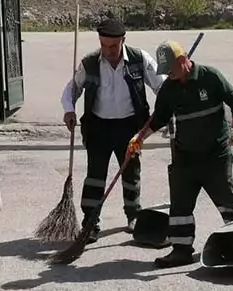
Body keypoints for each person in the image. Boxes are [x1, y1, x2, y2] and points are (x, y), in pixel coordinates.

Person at [126, 40, 233, 268]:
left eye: (171, 69)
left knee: (227, 201)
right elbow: (158, 118)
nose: (169, 74)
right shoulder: (169, 89)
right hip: (185, 157)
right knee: (180, 206)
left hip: (215, 154)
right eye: (165, 71)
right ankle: (181, 251)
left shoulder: (210, 77)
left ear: (183, 60)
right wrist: (139, 137)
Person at [61, 18, 164, 242]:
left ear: (123, 40)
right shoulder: (89, 63)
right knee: (95, 176)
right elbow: (72, 89)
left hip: (130, 127)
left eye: (113, 46)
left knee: (131, 172)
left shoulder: (138, 59)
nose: (108, 51)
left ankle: (133, 215)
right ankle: (90, 223)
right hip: (98, 126)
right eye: (104, 45)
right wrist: (69, 110)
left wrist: (166, 108)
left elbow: (161, 85)